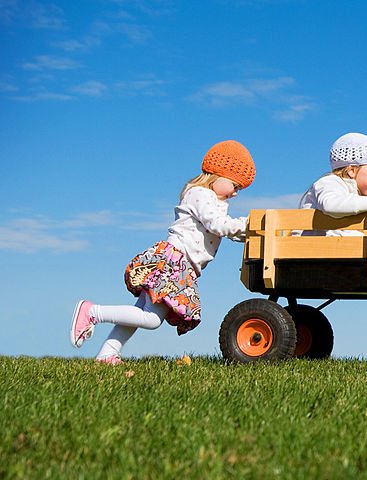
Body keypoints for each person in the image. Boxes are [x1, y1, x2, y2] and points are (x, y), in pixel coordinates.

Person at [70, 140, 256, 363]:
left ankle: (107, 354)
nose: (236, 193)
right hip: (173, 262)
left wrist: (250, 233)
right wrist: (252, 224)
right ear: (219, 174)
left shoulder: (211, 200)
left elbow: (225, 228)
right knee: (151, 319)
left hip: (182, 266)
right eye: (235, 186)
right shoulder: (200, 194)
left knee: (140, 312)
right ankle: (92, 312)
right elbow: (218, 225)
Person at [297, 132, 367, 235]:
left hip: (330, 251)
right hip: (309, 252)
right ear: (352, 171)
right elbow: (331, 205)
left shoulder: (353, 198)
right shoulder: (329, 182)